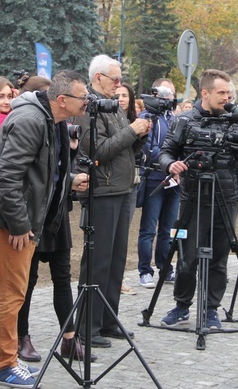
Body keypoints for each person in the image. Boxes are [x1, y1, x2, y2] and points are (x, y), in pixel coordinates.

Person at [0, 70, 90, 386]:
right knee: (11, 292)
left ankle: (1, 358)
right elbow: (6, 177)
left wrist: (70, 181)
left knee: (13, 291)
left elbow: (41, 173)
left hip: (27, 218)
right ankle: (4, 365)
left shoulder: (52, 121)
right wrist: (19, 225)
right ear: (62, 100)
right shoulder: (32, 120)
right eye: (82, 97)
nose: (87, 102)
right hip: (15, 223)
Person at [158, 69, 238, 328]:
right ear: (205, 93)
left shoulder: (236, 120)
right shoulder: (184, 120)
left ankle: (211, 309)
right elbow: (165, 151)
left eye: (229, 92)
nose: (227, 97)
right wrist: (171, 165)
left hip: (226, 198)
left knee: (219, 258)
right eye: (221, 92)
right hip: (192, 199)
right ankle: (182, 305)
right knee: (187, 256)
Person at [71, 55, 150, 347]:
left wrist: (139, 135)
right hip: (102, 191)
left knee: (116, 261)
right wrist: (132, 131)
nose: (119, 84)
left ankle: (107, 320)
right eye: (114, 79)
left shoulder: (113, 107)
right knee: (98, 261)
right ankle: (86, 327)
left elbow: (123, 148)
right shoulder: (89, 108)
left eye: (120, 79)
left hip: (121, 189)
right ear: (97, 79)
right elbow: (98, 151)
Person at [137, 83, 180, 289]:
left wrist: (179, 166)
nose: (168, 98)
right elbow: (149, 148)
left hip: (176, 181)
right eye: (164, 94)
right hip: (154, 179)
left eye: (170, 93)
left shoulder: (175, 118)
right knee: (148, 229)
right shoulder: (147, 117)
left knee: (170, 229)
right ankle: (145, 271)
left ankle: (166, 268)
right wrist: (168, 163)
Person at [114, 82, 141, 295]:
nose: (121, 98)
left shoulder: (135, 120)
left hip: (132, 181)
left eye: (125, 95)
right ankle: (114, 278)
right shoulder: (110, 119)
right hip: (113, 183)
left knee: (124, 232)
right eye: (117, 94)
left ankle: (119, 276)